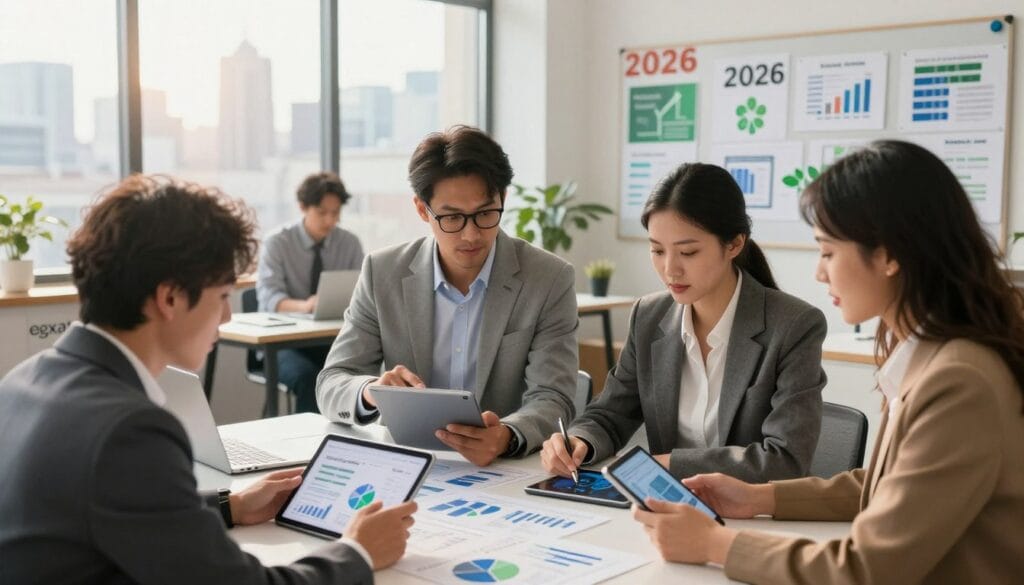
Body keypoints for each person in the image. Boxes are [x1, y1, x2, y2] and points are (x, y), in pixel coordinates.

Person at [632, 141, 1024, 583]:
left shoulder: (959, 380)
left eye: (827, 251)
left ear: (889, 254)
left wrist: (714, 544)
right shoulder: (929, 352)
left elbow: (867, 568)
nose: (819, 273)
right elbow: (883, 486)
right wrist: (758, 497)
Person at [0, 175, 415, 584]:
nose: (227, 316)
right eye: (221, 297)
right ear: (170, 298)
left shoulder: (24, 381)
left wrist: (228, 506)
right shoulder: (130, 430)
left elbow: (109, 507)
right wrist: (357, 551)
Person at [541, 162, 827, 483]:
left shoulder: (794, 326)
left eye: (688, 252)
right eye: (657, 250)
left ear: (734, 244)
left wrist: (668, 464)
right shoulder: (649, 316)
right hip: (668, 507)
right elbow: (611, 413)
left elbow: (785, 459)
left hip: (752, 514)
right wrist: (579, 441)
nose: (670, 269)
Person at [316, 125, 578, 467]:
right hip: (407, 462)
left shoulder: (548, 278)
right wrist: (372, 391)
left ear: (503, 199)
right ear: (423, 210)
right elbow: (332, 381)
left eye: (485, 214)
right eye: (452, 217)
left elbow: (554, 396)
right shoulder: (383, 273)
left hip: (501, 468)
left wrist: (507, 435)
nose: (471, 234)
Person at [257, 171, 365, 413]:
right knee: (310, 379)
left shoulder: (349, 243)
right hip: (283, 346)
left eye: (335, 213)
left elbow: (362, 293)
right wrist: (305, 306)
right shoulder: (277, 242)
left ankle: (349, 442)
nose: (330, 221)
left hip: (330, 340)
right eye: (322, 213)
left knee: (357, 376)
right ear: (303, 207)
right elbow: (269, 296)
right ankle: (309, 447)